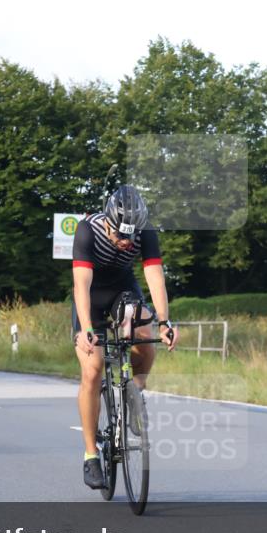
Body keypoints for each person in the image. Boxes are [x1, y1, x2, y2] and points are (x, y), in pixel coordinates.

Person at [72, 185, 177, 489]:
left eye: (130, 238)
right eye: (119, 236)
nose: (124, 243)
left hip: (123, 289)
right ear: (107, 222)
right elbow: (81, 284)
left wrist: (165, 321)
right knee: (92, 370)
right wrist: (87, 329)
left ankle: (136, 392)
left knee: (144, 331)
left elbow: (154, 276)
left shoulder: (145, 232)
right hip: (90, 295)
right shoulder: (87, 231)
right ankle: (91, 455)